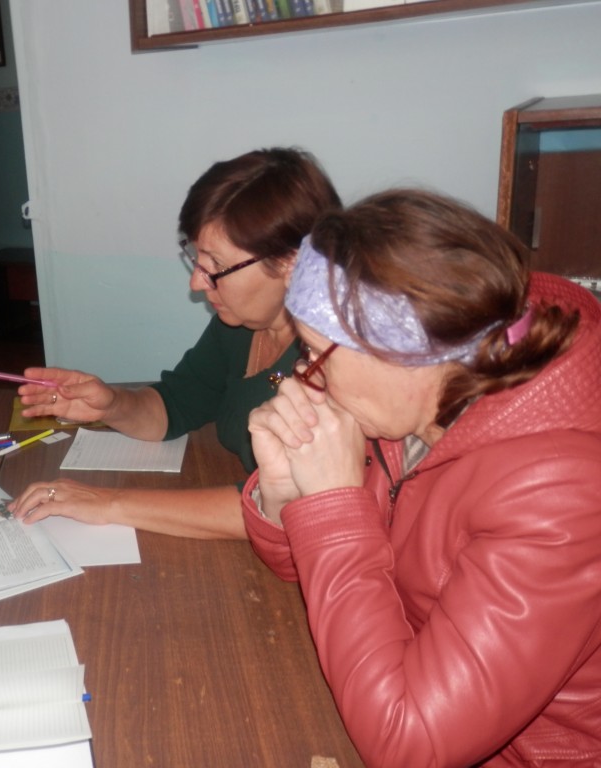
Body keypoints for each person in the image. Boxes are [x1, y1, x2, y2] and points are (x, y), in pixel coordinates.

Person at [243, 189, 601, 766]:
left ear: (402, 351)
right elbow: (305, 571)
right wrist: (285, 494)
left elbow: (409, 743)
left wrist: (335, 505)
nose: (306, 377)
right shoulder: (415, 410)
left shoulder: (562, 494)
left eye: (314, 353)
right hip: (399, 675)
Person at [8, 148, 341, 537]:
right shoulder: (241, 325)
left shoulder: (336, 363)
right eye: (196, 259)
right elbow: (176, 404)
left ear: (290, 263)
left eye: (216, 266)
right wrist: (112, 404)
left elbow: (284, 509)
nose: (197, 282)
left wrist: (108, 502)